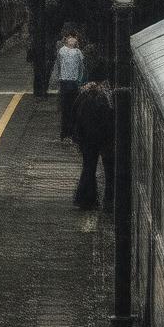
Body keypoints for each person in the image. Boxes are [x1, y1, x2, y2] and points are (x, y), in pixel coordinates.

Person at [72, 82, 114, 210]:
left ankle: (86, 199)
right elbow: (109, 120)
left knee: (88, 167)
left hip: (86, 139)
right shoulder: (106, 98)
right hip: (102, 138)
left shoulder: (83, 97)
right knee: (109, 170)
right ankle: (108, 200)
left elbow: (74, 116)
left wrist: (77, 137)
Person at [56, 35, 87, 139]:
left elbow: (59, 66)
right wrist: (80, 80)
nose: (73, 41)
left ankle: (65, 132)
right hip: (71, 83)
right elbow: (82, 68)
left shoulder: (63, 51)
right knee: (72, 108)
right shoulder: (77, 52)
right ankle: (71, 132)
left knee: (66, 108)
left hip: (66, 82)